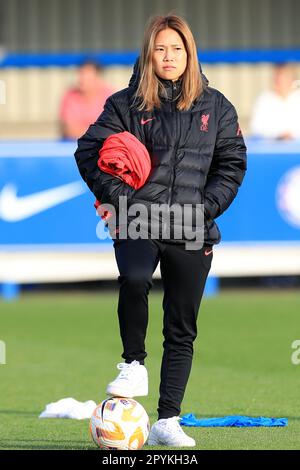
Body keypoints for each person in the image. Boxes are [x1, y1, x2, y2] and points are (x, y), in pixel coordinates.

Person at [75, 14, 247, 447]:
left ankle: (167, 420)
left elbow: (232, 164)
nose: (169, 57)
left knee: (181, 325)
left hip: (192, 228)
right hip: (138, 218)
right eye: (161, 49)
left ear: (189, 53)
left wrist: (205, 208)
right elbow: (88, 151)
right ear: (148, 54)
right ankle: (133, 362)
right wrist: (121, 199)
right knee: (134, 279)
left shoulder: (217, 106)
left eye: (177, 49)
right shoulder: (125, 104)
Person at [60, 60, 115, 139]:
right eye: (81, 74)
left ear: (98, 77)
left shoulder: (109, 96)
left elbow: (112, 129)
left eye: (87, 76)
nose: (81, 79)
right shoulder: (70, 95)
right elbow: (69, 130)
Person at [250, 63, 300, 140]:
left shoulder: (297, 98)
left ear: (292, 79)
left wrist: (291, 135)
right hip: (271, 148)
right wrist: (278, 135)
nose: (280, 80)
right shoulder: (264, 99)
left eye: (284, 77)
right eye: (278, 77)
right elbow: (256, 128)